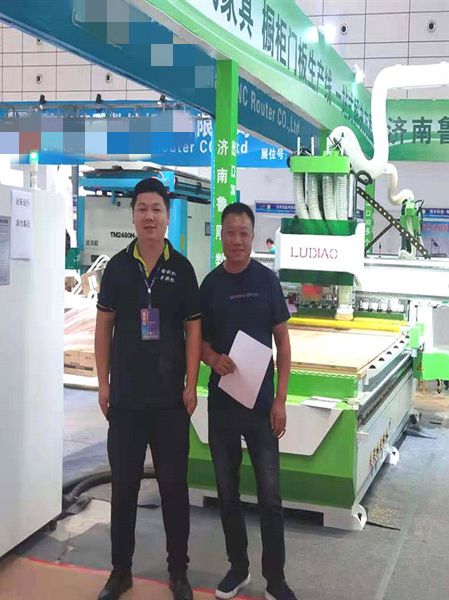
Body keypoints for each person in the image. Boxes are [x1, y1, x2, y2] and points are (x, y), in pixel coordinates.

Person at [94, 178, 201, 600]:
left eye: (157, 209)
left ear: (168, 216)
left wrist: (192, 384)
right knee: (124, 489)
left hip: (170, 401)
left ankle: (179, 572)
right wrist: (102, 383)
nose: (149, 217)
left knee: (174, 490)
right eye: (142, 209)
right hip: (125, 400)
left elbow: (194, 330)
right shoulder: (118, 268)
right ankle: (120, 571)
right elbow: (104, 327)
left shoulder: (183, 269)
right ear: (133, 214)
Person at [200, 203, 297, 600]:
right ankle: (237, 568)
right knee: (227, 493)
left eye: (244, 233)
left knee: (270, 497)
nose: (237, 240)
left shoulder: (266, 281)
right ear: (221, 235)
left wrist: (281, 400)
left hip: (261, 409)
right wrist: (212, 359)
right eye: (231, 232)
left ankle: (275, 580)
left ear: (253, 237)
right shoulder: (210, 285)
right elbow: (199, 343)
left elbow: (283, 343)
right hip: (223, 406)